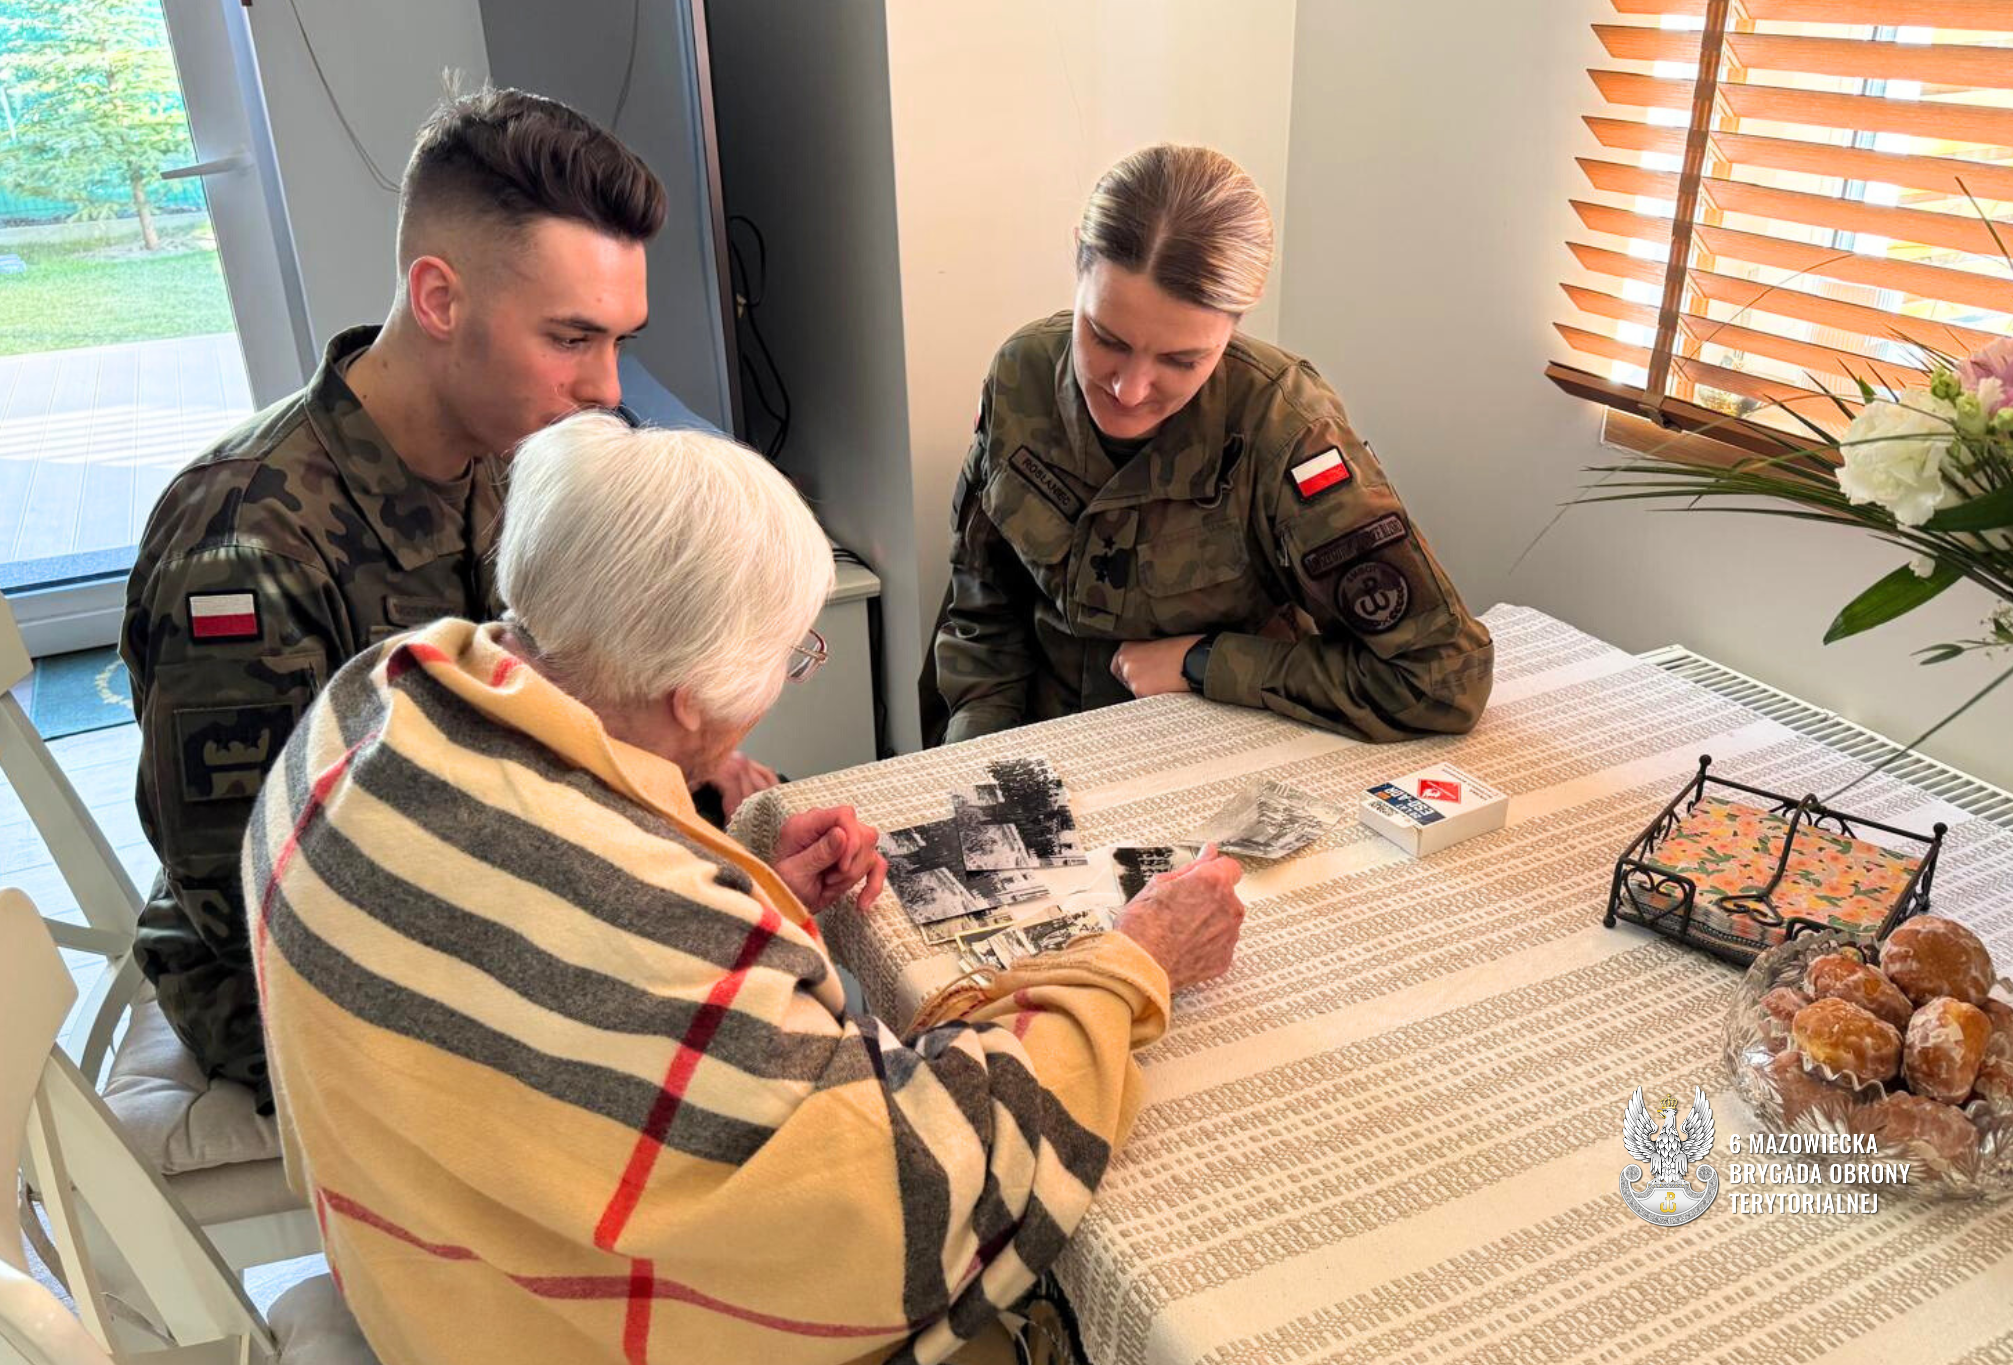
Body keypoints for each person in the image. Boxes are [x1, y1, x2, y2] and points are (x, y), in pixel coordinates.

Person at [245, 413, 1247, 1365]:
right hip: (512, 1321)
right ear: (691, 695)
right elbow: (916, 1206)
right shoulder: (650, 926)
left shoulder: (375, 698)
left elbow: (539, 924)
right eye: (791, 657)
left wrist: (740, 877)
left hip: (418, 1228)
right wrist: (1133, 962)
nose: (786, 678)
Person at [122, 87, 774, 1110]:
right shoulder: (247, 545)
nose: (607, 388)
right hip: (299, 977)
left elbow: (559, 700)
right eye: (571, 339)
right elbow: (254, 902)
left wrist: (691, 778)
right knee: (714, 1085)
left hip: (479, 870)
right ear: (438, 300)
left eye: (619, 341)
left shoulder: (511, 455)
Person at [927, 144, 1493, 745]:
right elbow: (984, 610)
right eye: (1106, 338)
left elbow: (1442, 677)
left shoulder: (1285, 429)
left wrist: (1204, 661)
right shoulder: (1023, 375)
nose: (1129, 389)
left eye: (1181, 360)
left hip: (1217, 753)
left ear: (1234, 326)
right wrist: (974, 752)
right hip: (1046, 741)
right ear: (1079, 263)